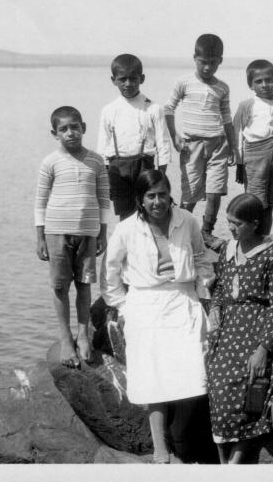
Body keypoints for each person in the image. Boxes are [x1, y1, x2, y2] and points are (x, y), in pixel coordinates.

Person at [104, 169, 214, 464]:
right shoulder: (126, 229)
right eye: (150, 196)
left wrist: (205, 295)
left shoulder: (187, 220)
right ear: (140, 199)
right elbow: (110, 272)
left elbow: (202, 258)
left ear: (170, 194)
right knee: (153, 376)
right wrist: (124, 306)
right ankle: (160, 447)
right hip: (145, 303)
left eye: (162, 194)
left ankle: (182, 439)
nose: (158, 202)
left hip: (183, 298)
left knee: (193, 372)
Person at [206, 193, 273, 464]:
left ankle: (235, 463)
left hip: (257, 333)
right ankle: (224, 465)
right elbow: (219, 285)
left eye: (237, 223)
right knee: (217, 389)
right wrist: (216, 307)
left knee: (248, 391)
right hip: (228, 331)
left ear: (254, 224)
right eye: (228, 221)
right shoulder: (227, 249)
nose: (231, 228)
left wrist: (264, 348)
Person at [35, 106, 109, 369]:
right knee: (59, 286)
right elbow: (41, 201)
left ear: (84, 128)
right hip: (56, 232)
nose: (70, 132)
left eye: (74, 127)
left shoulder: (97, 161)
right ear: (55, 133)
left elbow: (103, 199)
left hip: (87, 234)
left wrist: (102, 232)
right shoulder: (50, 162)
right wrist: (40, 236)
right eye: (64, 129)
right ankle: (65, 338)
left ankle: (84, 336)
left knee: (85, 285)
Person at [164, 33, 235, 250]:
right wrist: (174, 135)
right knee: (191, 193)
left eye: (212, 63)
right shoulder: (183, 83)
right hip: (191, 146)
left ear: (220, 61)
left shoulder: (222, 87)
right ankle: (178, 229)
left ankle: (206, 232)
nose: (207, 67)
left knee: (214, 192)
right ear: (195, 58)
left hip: (218, 145)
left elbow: (227, 118)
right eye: (203, 62)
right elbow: (168, 109)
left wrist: (233, 147)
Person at [98, 53, 172, 220]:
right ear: (113, 80)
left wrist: (161, 175)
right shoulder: (109, 110)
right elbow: (103, 145)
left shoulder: (153, 108)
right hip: (118, 168)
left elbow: (163, 143)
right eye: (122, 79)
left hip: (144, 166)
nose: (128, 83)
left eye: (133, 78)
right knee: (125, 215)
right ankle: (128, 246)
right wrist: (106, 176)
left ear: (142, 78)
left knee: (148, 212)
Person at [232, 59, 273, 235]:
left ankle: (264, 236)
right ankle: (250, 237)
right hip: (254, 159)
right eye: (258, 81)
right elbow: (237, 134)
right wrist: (239, 163)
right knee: (254, 201)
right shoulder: (246, 105)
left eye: (268, 80)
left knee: (271, 201)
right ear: (250, 85)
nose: (264, 85)